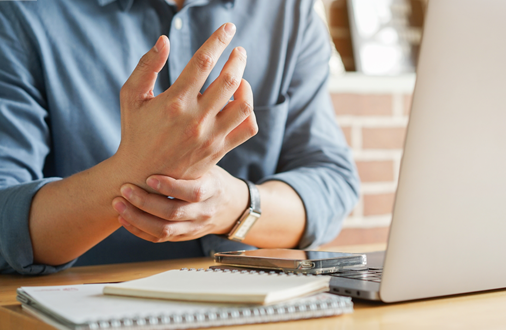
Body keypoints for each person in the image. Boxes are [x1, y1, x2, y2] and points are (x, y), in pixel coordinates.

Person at [0, 0, 360, 275]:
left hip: (255, 304)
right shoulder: (23, 13)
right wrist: (132, 172)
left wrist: (231, 205)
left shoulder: (290, 12)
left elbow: (330, 181)